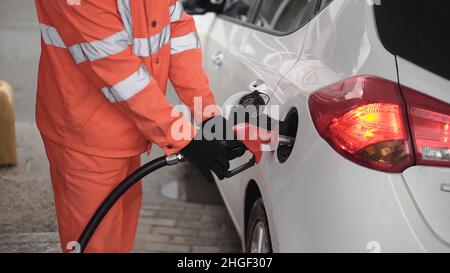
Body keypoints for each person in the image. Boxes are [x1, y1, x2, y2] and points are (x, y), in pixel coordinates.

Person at [35, 0, 242, 253]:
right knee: (96, 246)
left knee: (119, 243)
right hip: (84, 140)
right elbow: (114, 67)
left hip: (130, 130)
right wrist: (184, 137)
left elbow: (177, 31)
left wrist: (207, 113)